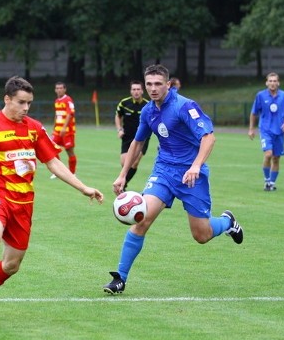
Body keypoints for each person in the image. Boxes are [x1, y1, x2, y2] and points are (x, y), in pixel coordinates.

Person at [0, 76, 104, 319]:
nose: (26, 108)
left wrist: (83, 187)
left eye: (29, 103)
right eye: (21, 102)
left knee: (11, 265)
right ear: (7, 99)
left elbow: (53, 162)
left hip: (24, 203)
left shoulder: (34, 128)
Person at [103, 64, 244, 295]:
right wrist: (122, 175)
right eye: (149, 84)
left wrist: (196, 166)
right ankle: (120, 278)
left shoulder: (184, 106)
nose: (153, 88)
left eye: (158, 84)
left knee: (201, 235)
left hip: (191, 176)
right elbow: (137, 143)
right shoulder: (148, 111)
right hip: (164, 172)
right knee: (142, 219)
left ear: (168, 84)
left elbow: (209, 138)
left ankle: (227, 222)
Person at [248, 72, 284, 191]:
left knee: (276, 158)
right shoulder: (261, 95)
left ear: (278, 83)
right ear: (266, 83)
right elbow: (254, 112)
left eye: (275, 81)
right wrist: (251, 129)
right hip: (265, 130)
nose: (272, 83)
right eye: (270, 81)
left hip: (279, 131)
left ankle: (272, 183)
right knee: (268, 154)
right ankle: (266, 181)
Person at [115, 81, 150, 189]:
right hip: (127, 136)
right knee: (124, 163)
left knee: (134, 163)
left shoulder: (148, 105)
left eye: (138, 89)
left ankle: (122, 184)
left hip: (142, 137)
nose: (136, 92)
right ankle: (123, 182)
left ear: (142, 91)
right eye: (134, 89)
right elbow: (118, 116)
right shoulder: (124, 103)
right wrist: (119, 129)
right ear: (131, 91)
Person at [49, 81, 77, 178]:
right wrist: (54, 128)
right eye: (57, 88)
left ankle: (72, 173)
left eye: (61, 88)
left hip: (67, 131)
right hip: (57, 130)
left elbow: (70, 114)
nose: (59, 90)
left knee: (69, 151)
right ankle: (59, 171)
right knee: (51, 148)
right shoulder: (57, 101)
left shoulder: (68, 100)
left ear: (65, 89)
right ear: (55, 90)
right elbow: (57, 115)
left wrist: (64, 127)